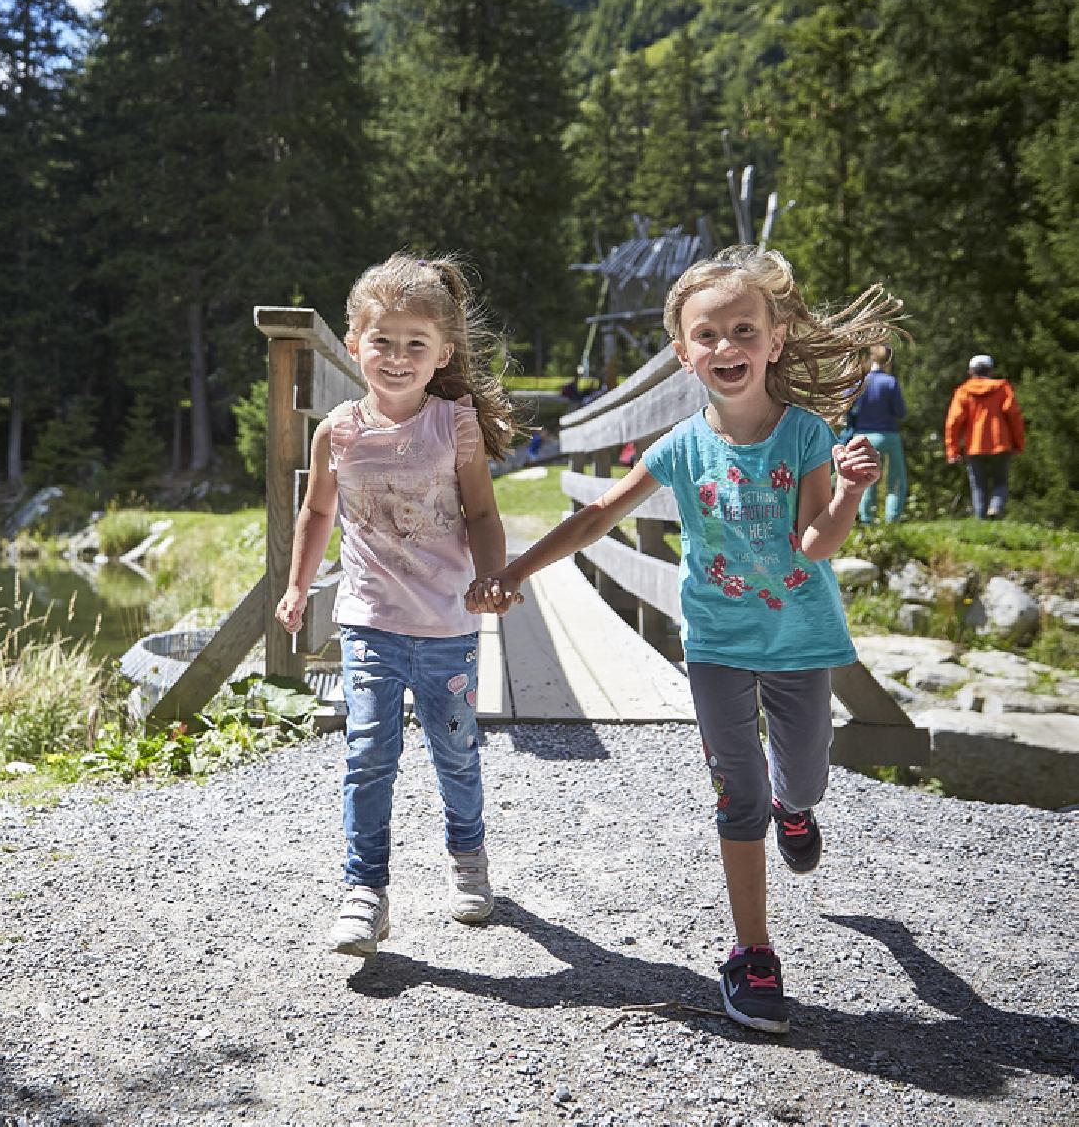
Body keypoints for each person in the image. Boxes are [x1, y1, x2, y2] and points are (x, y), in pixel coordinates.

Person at [473, 245, 906, 1034]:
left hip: (800, 640)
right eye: (707, 335)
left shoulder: (805, 434)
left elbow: (814, 543)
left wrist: (848, 491)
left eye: (743, 330)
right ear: (683, 353)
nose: (726, 346)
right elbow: (597, 516)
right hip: (714, 642)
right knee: (736, 794)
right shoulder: (678, 447)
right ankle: (753, 953)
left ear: (775, 340)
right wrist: (517, 570)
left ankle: (796, 807)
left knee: (804, 777)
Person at [275, 252, 517, 958]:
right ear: (355, 344)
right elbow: (317, 513)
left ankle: (467, 856)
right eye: (382, 341)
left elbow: (482, 514)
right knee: (367, 754)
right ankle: (365, 890)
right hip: (369, 621)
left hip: (446, 625)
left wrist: (492, 577)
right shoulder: (338, 432)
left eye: (416, 344)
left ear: (442, 353)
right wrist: (297, 586)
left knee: (455, 752)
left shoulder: (455, 425)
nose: (398, 357)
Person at [944, 354, 1025, 520]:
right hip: (1000, 443)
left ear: (970, 372)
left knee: (978, 486)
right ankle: (995, 507)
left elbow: (953, 422)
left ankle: (981, 521)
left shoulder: (963, 391)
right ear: (991, 371)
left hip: (974, 445)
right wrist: (1018, 444)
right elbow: (1014, 415)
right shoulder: (1002, 388)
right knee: (1001, 482)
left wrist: (953, 451)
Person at [847, 343, 907, 522]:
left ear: (870, 358)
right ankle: (892, 518)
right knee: (896, 479)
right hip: (888, 434)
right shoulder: (890, 382)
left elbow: (846, 406)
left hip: (863, 436)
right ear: (888, 361)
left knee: (866, 477)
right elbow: (900, 412)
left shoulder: (860, 382)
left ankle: (867, 518)